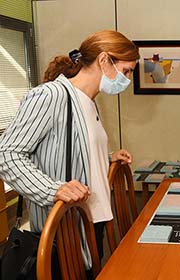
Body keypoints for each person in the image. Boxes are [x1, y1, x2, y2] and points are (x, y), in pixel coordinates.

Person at [0, 30, 139, 264]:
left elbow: (71, 150)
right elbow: (7, 154)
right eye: (126, 71)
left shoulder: (88, 102)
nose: (126, 78)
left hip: (92, 220)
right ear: (104, 60)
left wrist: (106, 157)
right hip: (66, 231)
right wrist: (52, 189)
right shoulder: (51, 95)